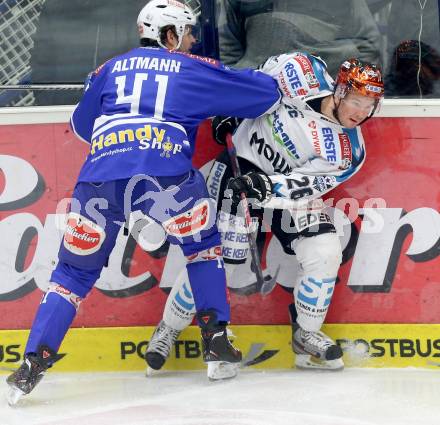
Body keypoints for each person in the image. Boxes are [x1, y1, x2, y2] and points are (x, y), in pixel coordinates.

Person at [5, 0, 284, 404]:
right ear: (170, 35)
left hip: (98, 179)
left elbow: (82, 126)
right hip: (165, 173)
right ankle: (217, 342)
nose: (191, 41)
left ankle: (30, 366)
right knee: (203, 249)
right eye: (187, 34)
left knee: (71, 275)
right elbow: (264, 95)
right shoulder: (190, 66)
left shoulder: (109, 69)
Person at [145, 51, 384, 374]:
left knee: (325, 251)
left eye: (369, 106)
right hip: (236, 168)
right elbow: (251, 79)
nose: (361, 113)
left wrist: (268, 188)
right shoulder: (301, 69)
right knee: (217, 261)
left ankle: (306, 333)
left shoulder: (348, 151)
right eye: (356, 101)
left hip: (284, 190)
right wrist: (230, 108)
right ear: (340, 91)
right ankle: (170, 327)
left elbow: (306, 184)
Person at [217, 0, 382, 76]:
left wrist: (340, 98)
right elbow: (228, 48)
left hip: (325, 105)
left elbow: (367, 46)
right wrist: (239, 93)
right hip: (259, 102)